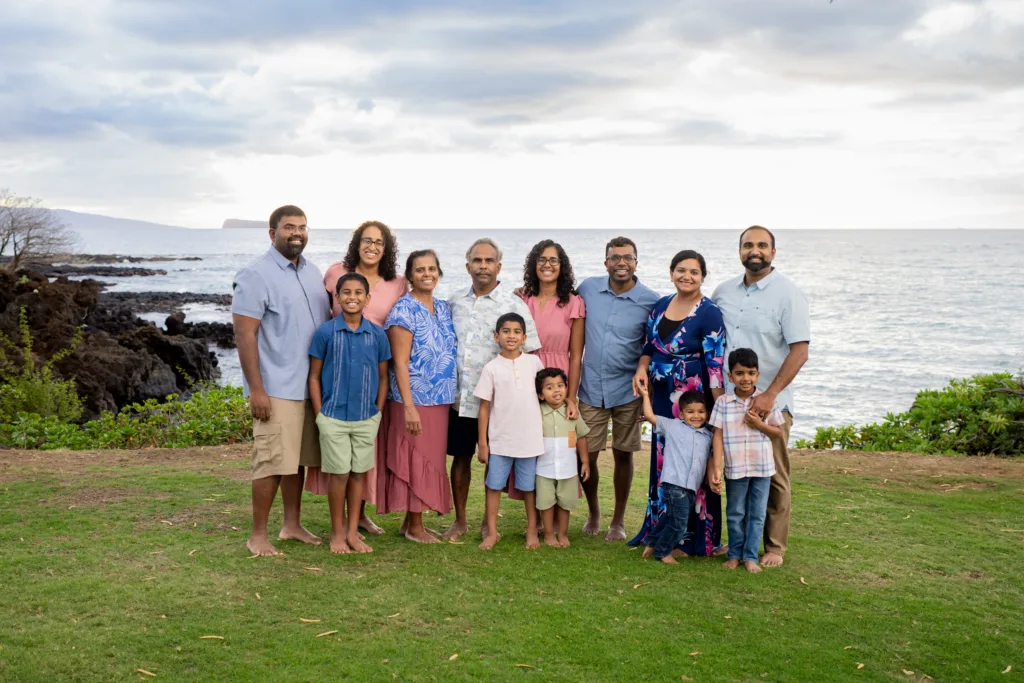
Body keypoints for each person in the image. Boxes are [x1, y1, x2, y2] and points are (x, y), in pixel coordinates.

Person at [231, 205, 331, 556]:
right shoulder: (255, 275)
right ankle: (258, 535)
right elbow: (244, 335)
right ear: (272, 232)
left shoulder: (313, 272)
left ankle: (292, 525)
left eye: (302, 227)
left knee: (296, 460)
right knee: (271, 461)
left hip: (310, 386)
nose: (297, 233)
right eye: (289, 227)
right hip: (276, 387)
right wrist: (257, 389)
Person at [712, 226, 810, 567]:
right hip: (729, 402)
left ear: (773, 252)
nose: (755, 250)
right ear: (740, 250)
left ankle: (774, 547)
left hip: (770, 403)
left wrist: (770, 394)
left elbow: (800, 351)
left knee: (774, 476)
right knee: (735, 473)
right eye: (748, 245)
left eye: (762, 245)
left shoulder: (789, 294)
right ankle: (739, 543)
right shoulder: (723, 292)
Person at [306, 220, 406, 536]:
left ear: (386, 248)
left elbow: (412, 310)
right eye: (366, 240)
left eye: (379, 242)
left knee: (362, 461)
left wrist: (378, 407)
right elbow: (319, 312)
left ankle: (358, 518)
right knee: (340, 464)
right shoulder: (336, 272)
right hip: (337, 375)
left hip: (371, 375)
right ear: (357, 243)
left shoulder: (396, 283)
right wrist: (320, 412)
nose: (372, 246)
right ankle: (341, 527)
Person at [628, 250, 726, 556]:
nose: (687, 276)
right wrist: (641, 368)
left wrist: (718, 410)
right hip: (660, 397)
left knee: (693, 464)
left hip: (692, 400)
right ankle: (659, 532)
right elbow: (649, 346)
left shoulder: (709, 312)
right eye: (681, 270)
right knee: (665, 463)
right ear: (671, 273)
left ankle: (692, 538)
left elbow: (715, 364)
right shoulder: (660, 305)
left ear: (703, 277)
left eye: (694, 272)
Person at [446, 238, 540, 541]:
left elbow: (530, 352)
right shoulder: (454, 301)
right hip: (462, 397)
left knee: (495, 460)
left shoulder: (514, 305)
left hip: (500, 404)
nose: (483, 266)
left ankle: (489, 524)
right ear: (468, 266)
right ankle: (460, 521)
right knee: (461, 458)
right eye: (477, 260)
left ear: (498, 266)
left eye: (489, 261)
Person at [575, 236, 660, 541]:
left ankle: (618, 520)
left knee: (624, 453)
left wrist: (651, 394)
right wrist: (526, 293)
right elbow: (558, 301)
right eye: (615, 257)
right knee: (586, 454)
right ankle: (594, 512)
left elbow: (655, 346)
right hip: (590, 388)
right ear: (606, 262)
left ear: (636, 262)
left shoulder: (651, 301)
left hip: (629, 391)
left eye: (627, 258)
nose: (621, 263)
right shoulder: (587, 289)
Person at [308, 273, 391, 555]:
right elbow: (314, 377)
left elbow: (383, 377)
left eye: (358, 293)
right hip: (333, 417)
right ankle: (337, 533)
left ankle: (353, 533)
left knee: (358, 475)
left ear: (368, 299)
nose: (352, 297)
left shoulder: (377, 335)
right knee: (339, 475)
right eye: (346, 292)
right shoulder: (325, 333)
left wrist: (377, 412)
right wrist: (320, 414)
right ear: (337, 297)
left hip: (366, 418)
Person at [381, 250, 458, 543]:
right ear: (410, 275)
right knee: (415, 459)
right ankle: (415, 527)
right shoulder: (403, 310)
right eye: (420, 269)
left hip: (440, 400)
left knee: (431, 460)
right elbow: (399, 362)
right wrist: (409, 407)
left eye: (432, 268)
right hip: (413, 400)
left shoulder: (444, 307)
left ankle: (410, 523)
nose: (427, 274)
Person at [708, 348, 785, 573]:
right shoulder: (723, 402)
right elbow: (717, 435)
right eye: (740, 373)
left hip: (762, 468)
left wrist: (759, 424)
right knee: (735, 513)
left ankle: (750, 556)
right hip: (735, 469)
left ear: (758, 375)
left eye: (751, 373)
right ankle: (734, 555)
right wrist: (716, 467)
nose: (746, 378)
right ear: (730, 376)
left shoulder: (766, 402)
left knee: (757, 514)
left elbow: (778, 432)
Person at [473, 313, 546, 550]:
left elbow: (544, 397)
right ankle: (492, 532)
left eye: (516, 332)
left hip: (530, 441)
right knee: (494, 486)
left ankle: (532, 531)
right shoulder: (491, 368)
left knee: (529, 488)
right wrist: (483, 444)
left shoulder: (534, 363)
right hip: (500, 441)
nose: (511, 336)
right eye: (506, 331)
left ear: (524, 337)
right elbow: (484, 408)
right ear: (497, 336)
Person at [637, 386, 714, 565]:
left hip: (691, 486)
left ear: (707, 414)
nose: (696, 416)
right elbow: (650, 416)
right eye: (690, 412)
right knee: (679, 523)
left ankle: (652, 542)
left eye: (701, 412)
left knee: (670, 517)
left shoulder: (708, 435)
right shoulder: (672, 426)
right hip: (674, 483)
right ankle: (663, 551)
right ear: (681, 414)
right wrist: (646, 395)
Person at [520, 240, 586, 418]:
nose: (547, 265)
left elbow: (576, 357)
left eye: (553, 260)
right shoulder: (522, 299)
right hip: (525, 376)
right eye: (541, 259)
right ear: (534, 265)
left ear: (561, 266)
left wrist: (571, 398)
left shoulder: (574, 303)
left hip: (558, 380)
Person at [534, 368, 591, 548]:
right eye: (549, 387)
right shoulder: (537, 412)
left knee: (565, 503)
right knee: (546, 503)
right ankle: (549, 534)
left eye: (560, 385)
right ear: (541, 395)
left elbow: (580, 437)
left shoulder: (572, 413)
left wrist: (585, 462)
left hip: (568, 469)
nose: (556, 390)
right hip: (543, 468)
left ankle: (563, 534)